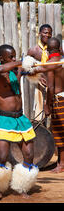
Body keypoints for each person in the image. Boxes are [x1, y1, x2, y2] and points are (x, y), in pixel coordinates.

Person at [0, 45, 38, 199]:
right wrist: (21, 61)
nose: (14, 59)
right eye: (11, 57)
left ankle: (22, 186)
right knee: (2, 156)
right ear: (2, 58)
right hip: (5, 120)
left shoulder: (18, 70)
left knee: (29, 154)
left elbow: (37, 71)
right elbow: (0, 70)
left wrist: (36, 65)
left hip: (20, 119)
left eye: (15, 56)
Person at [31, 38, 64, 173]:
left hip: (58, 101)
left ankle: (61, 164)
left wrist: (47, 105)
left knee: (59, 132)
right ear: (59, 48)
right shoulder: (62, 61)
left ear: (48, 50)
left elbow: (50, 88)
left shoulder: (51, 64)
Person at [27, 24, 53, 120]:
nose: (48, 35)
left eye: (50, 33)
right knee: (40, 113)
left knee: (55, 112)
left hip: (53, 85)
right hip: (40, 85)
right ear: (39, 34)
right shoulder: (33, 50)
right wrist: (39, 77)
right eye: (45, 33)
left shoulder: (55, 48)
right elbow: (27, 69)